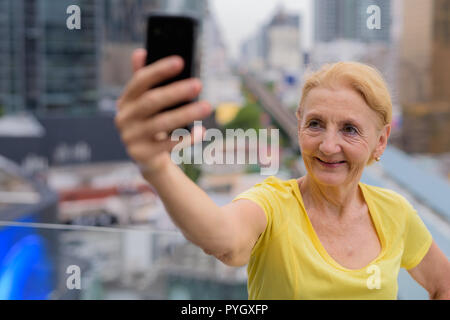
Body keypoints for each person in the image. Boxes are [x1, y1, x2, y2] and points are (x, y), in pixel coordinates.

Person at [115, 49, 450, 300]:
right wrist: (157, 167)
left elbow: (442, 283)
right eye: (315, 124)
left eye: (349, 129)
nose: (328, 146)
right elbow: (223, 238)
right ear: (299, 123)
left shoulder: (395, 212)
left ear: (380, 141)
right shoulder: (273, 204)